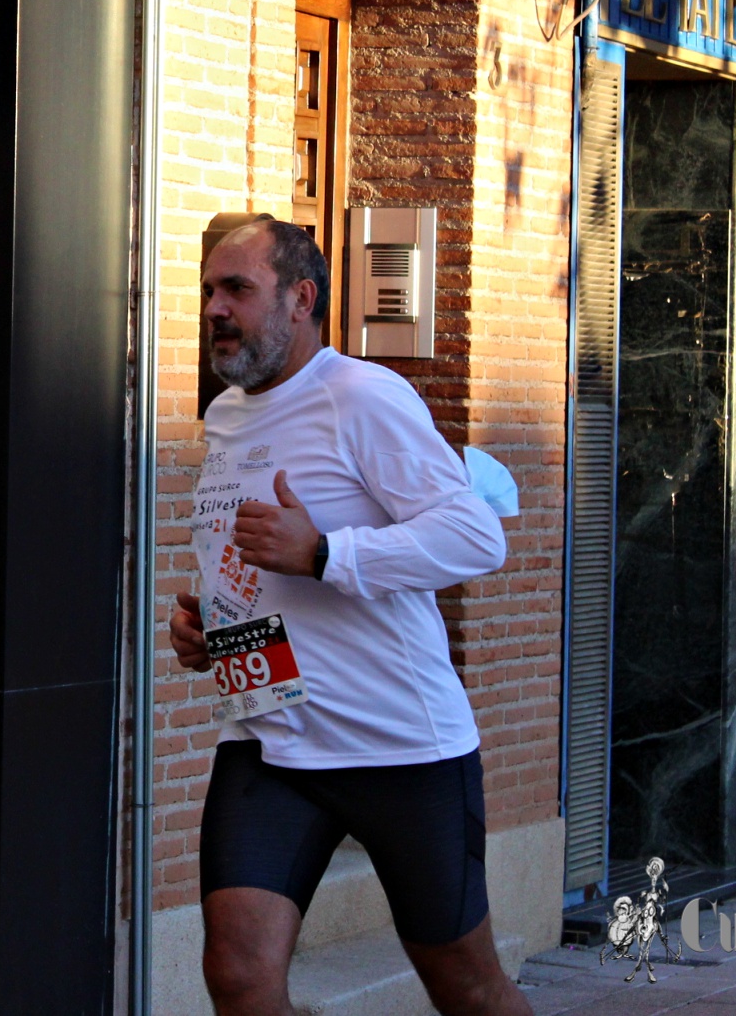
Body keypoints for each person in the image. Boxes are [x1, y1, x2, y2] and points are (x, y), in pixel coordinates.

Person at [169, 217, 529, 1016]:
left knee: (464, 986)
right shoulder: (225, 416)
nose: (215, 309)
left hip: (400, 748)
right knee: (237, 973)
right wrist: (206, 626)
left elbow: (474, 537)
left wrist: (328, 554)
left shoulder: (363, 397)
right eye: (207, 292)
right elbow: (250, 563)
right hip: (270, 739)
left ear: (301, 299)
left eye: (237, 289)